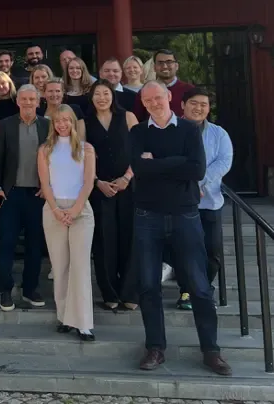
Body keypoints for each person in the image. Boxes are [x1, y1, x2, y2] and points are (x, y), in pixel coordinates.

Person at [130, 81, 231, 376]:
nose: (154, 103)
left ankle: (211, 351)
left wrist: (157, 163)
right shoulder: (138, 132)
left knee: (199, 286)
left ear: (169, 97)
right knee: (148, 286)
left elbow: (197, 170)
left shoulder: (188, 129)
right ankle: (155, 347)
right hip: (147, 216)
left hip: (185, 215)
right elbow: (138, 168)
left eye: (158, 97)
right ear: (144, 104)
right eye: (147, 100)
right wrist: (175, 165)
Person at [37, 104, 96, 341]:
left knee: (80, 266)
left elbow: (88, 183)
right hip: (54, 210)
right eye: (57, 121)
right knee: (60, 266)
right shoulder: (45, 150)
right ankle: (64, 316)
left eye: (66, 121)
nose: (62, 125)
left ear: (73, 122)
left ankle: (83, 322)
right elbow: (45, 185)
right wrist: (56, 209)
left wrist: (75, 208)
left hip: (80, 210)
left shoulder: (86, 149)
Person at [0, 84, 49, 311]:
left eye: (31, 99)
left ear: (38, 101)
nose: (27, 103)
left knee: (35, 246)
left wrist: (48, 186)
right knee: (6, 244)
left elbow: (53, 159)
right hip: (11, 194)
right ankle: (5, 289)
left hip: (38, 194)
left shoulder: (47, 126)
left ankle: (30, 288)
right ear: (18, 102)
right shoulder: (6, 125)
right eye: (23, 99)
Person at [175, 88, 233, 310]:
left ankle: (204, 288)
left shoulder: (219, 134)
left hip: (209, 202)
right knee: (185, 249)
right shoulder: (171, 130)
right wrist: (188, 185)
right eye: (193, 103)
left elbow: (223, 162)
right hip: (180, 202)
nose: (198, 108)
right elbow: (170, 160)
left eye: (204, 105)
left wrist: (199, 183)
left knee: (212, 250)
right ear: (183, 105)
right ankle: (187, 291)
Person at [86, 80, 139, 311]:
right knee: (104, 241)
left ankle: (130, 293)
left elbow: (141, 152)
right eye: (97, 94)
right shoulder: (83, 122)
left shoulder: (127, 117)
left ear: (112, 95)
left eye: (105, 93)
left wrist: (127, 177)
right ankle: (109, 292)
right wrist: (96, 182)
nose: (102, 98)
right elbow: (79, 156)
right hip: (99, 188)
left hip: (127, 186)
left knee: (130, 238)